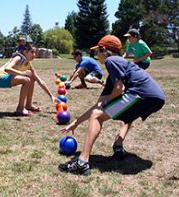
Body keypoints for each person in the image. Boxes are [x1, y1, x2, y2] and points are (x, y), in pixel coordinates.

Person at [58, 35, 165, 176]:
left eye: (97, 51)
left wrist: (107, 102)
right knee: (127, 115)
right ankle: (118, 146)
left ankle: (82, 162)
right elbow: (98, 105)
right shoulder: (115, 73)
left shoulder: (111, 60)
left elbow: (119, 89)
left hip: (141, 94)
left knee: (97, 116)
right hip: (156, 97)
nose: (97, 55)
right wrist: (76, 123)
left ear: (104, 50)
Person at [0, 43, 58, 116]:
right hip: (0, 78)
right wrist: (22, 73)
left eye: (35, 53)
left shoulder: (28, 64)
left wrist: (51, 96)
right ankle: (20, 109)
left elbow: (40, 81)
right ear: (25, 51)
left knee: (31, 77)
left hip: (8, 78)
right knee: (27, 79)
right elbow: (7, 69)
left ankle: (28, 105)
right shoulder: (18, 58)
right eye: (32, 52)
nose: (34, 55)